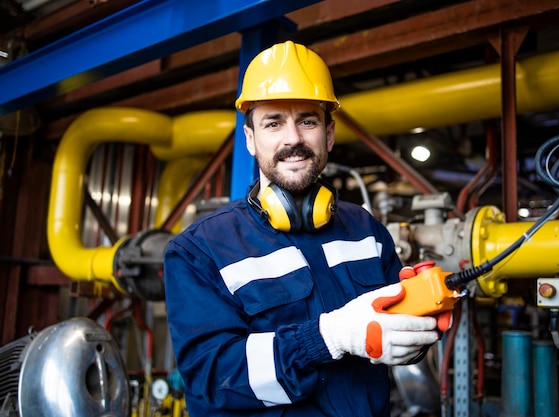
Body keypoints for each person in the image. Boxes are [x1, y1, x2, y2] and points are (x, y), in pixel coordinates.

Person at [164, 40, 439, 417]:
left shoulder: (366, 230)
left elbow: (393, 326)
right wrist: (329, 337)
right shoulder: (200, 250)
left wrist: (416, 333)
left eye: (307, 121)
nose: (292, 139)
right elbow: (212, 379)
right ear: (250, 140)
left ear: (328, 133)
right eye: (273, 123)